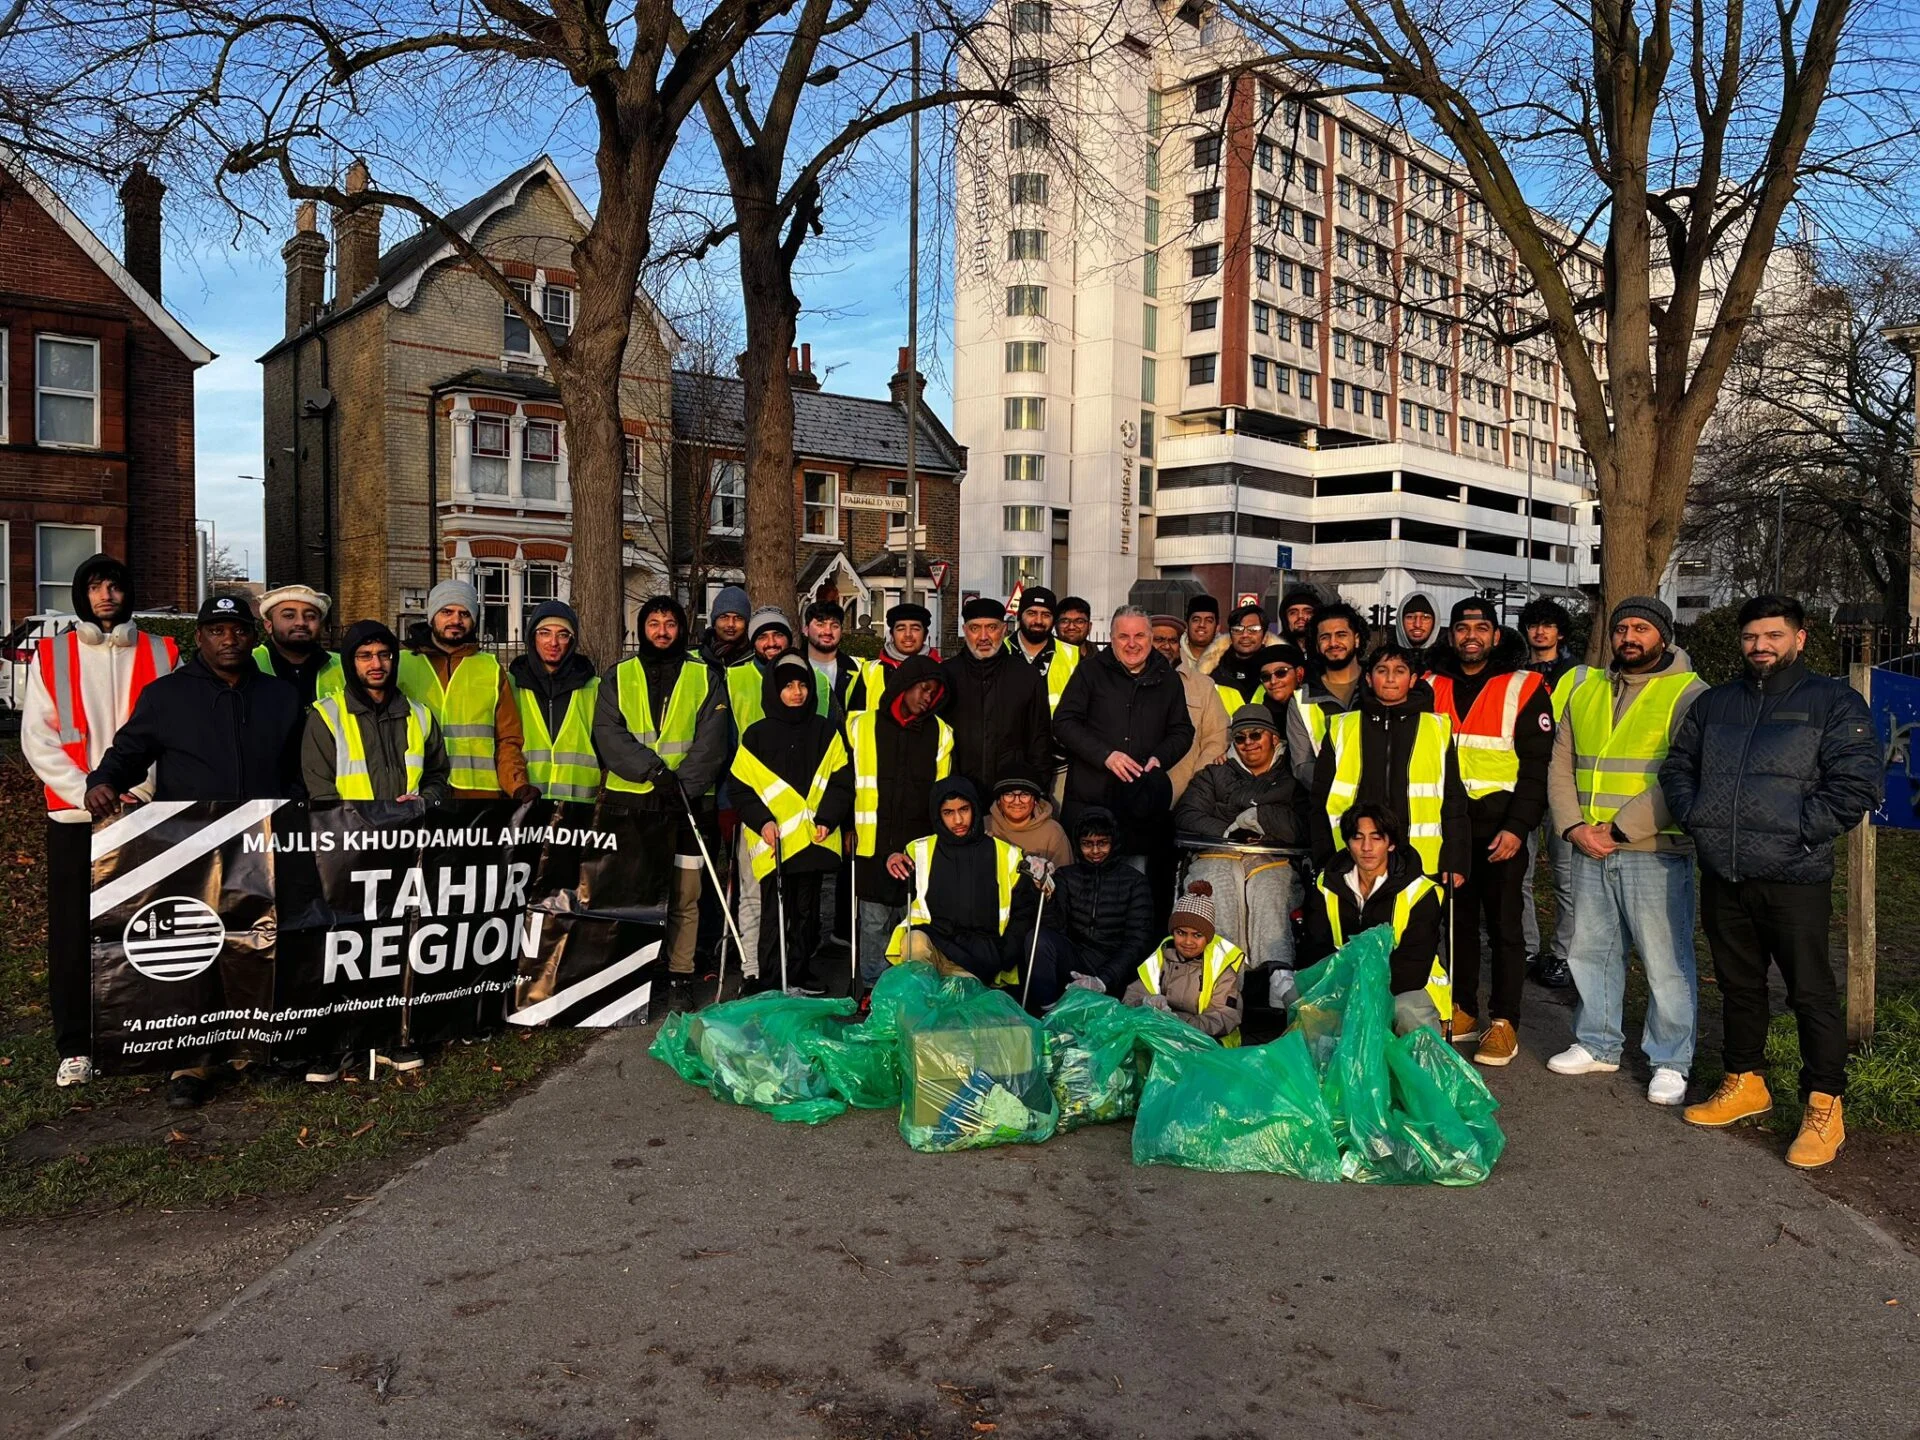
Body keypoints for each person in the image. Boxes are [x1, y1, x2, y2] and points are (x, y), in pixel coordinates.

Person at [1663, 595, 1880, 1167]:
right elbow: (1678, 767)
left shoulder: (1833, 702)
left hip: (1794, 876)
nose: (1761, 646)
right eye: (1752, 637)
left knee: (1809, 992)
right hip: (1725, 871)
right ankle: (1745, 1080)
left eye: (1773, 636)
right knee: (1738, 986)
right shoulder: (1716, 703)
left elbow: (1856, 784)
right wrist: (1701, 822)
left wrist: (1798, 833)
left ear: (1800, 638)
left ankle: (1825, 1102)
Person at [85, 594, 305, 1109]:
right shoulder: (165, 696)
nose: (228, 639)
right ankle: (193, 1061)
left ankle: (257, 1050)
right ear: (199, 638)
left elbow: (301, 769)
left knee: (259, 942)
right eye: (216, 630)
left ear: (254, 636)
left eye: (238, 630)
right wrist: (102, 781)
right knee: (198, 948)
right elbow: (127, 753)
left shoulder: (280, 696)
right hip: (190, 849)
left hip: (263, 843)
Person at [23, 553, 177, 1087]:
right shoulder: (51, 655)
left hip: (140, 811)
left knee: (147, 925)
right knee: (72, 932)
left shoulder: (163, 651)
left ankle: (142, 1029)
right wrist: (87, 793)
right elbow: (38, 739)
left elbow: (169, 732)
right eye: (94, 586)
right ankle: (76, 1045)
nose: (105, 594)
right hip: (73, 816)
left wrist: (136, 792)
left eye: (114, 585)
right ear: (80, 595)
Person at [1546, 595, 1706, 1106]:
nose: (1629, 637)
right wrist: (1573, 827)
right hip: (1588, 844)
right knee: (1590, 950)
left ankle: (1670, 1060)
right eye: (1621, 629)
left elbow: (1685, 778)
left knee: (1665, 960)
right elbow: (1561, 764)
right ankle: (1597, 1042)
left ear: (1663, 634)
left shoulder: (1690, 694)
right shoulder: (1586, 688)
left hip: (1653, 849)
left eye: (1641, 628)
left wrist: (1614, 831)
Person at [1422, 599, 1553, 1064]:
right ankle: (1463, 1009)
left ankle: (1504, 1020)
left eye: (1481, 627)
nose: (1471, 635)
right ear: (1451, 635)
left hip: (1502, 829)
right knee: (1456, 925)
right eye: (1462, 628)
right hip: (1447, 828)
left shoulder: (1525, 686)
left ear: (1496, 636)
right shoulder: (1429, 684)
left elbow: (1537, 768)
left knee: (1504, 926)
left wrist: (1519, 828)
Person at [596, 596, 731, 1008]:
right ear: (641, 629)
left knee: (686, 893)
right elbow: (607, 733)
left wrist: (682, 787)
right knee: (634, 892)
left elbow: (714, 738)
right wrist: (655, 774)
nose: (661, 631)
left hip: (689, 806)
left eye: (669, 624)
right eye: (653, 623)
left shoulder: (706, 675)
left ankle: (680, 972)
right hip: (633, 803)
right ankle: (637, 972)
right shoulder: (618, 676)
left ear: (682, 629)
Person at [731, 654, 853, 995]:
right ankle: (769, 977)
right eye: (787, 686)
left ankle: (800, 971)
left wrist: (829, 818)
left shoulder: (826, 731)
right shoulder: (757, 735)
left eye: (802, 685)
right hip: (775, 841)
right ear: (774, 691)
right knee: (773, 912)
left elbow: (841, 781)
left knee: (807, 912)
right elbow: (740, 787)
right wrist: (763, 822)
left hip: (814, 839)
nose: (796, 692)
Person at [1172, 704, 1311, 1000]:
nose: (1248, 743)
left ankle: (1280, 974)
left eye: (1255, 735)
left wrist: (1262, 820)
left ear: (1274, 737)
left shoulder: (1291, 777)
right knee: (1219, 883)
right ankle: (1225, 977)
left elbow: (1304, 822)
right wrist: (1230, 829)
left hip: (1271, 856)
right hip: (1218, 853)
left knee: (1268, 886)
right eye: (1240, 738)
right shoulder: (1215, 773)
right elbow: (1186, 813)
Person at [1311, 641, 1469, 886]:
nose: (1390, 678)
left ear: (1413, 679)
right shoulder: (1342, 726)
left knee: (1416, 925)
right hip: (1351, 859)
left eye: (1400, 671)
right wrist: (1324, 858)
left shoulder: (1437, 728)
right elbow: (1320, 799)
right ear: (1369, 678)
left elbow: (1454, 800)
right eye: (1382, 670)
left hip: (1422, 862)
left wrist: (1455, 860)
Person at [1053, 606, 1194, 864]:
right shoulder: (1089, 672)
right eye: (1123, 636)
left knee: (1133, 887)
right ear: (1111, 638)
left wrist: (1159, 758)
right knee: (1084, 888)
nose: (1132, 644)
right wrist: (1105, 756)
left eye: (1139, 636)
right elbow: (1063, 722)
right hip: (1090, 799)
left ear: (1150, 638)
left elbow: (1182, 730)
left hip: (1141, 804)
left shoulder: (1168, 679)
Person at [845, 655, 951, 996]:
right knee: (874, 920)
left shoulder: (941, 734)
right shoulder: (860, 726)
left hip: (916, 842)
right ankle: (872, 989)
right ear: (904, 686)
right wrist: (846, 826)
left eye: (933, 693)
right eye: (923, 689)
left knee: (909, 920)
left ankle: (903, 988)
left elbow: (942, 793)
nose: (927, 698)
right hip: (870, 841)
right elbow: (844, 781)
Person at [1301, 805, 1450, 1037]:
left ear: (1390, 844)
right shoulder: (1325, 885)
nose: (1366, 847)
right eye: (1358, 838)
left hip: (1407, 985)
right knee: (1297, 999)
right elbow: (1316, 947)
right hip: (1345, 982)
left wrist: (1366, 992)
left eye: (1376, 838)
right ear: (1348, 844)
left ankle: (1423, 1072)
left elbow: (1414, 963)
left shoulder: (1420, 891)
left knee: (1407, 1012)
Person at [885, 776, 1036, 985]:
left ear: (974, 808)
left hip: (981, 957)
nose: (957, 820)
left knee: (959, 1010)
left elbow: (1023, 913)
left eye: (964, 809)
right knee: (914, 943)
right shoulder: (918, 850)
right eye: (948, 812)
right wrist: (892, 861)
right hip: (934, 944)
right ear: (937, 815)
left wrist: (1004, 955)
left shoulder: (1006, 854)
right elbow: (893, 895)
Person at [397, 579, 531, 800]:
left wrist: (517, 785)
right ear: (432, 616)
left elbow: (508, 739)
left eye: (464, 614)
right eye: (447, 612)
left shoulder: (491, 668)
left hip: (478, 797)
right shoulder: (402, 666)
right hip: (417, 794)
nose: (456, 620)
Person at [303, 620, 450, 808]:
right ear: (350, 662)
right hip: (351, 833)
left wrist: (425, 801)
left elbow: (437, 774)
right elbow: (320, 788)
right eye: (365, 656)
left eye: (384, 654)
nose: (377, 664)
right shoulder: (326, 716)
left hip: (408, 831)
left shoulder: (420, 714)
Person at [1025, 807, 1155, 1009]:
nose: (1095, 851)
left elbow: (1137, 942)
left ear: (1113, 843)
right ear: (1079, 845)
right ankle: (1046, 1012)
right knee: (1037, 938)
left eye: (1102, 843)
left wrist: (1104, 979)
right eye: (1087, 844)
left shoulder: (1134, 882)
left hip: (1114, 969)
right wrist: (1044, 892)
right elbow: (1053, 926)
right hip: (1075, 960)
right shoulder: (1067, 876)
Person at [1518, 597, 1584, 988]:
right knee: (1520, 876)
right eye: (1533, 625)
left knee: (1565, 876)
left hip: (1564, 785)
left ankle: (1562, 954)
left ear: (1560, 631)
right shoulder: (1515, 674)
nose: (1540, 632)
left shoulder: (1580, 676)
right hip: (1525, 783)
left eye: (1547, 625)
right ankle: (1527, 946)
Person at [942, 596, 1051, 795]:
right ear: (965, 630)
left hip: (1012, 794)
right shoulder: (946, 675)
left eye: (991, 627)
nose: (983, 637)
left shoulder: (1026, 676)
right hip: (959, 795)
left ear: (1004, 630)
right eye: (975, 628)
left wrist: (1038, 790)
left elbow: (1039, 740)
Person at [1124, 881, 1246, 1043]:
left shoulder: (1221, 969)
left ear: (1208, 938)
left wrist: (1178, 1024)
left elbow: (1224, 1017)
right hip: (1160, 1034)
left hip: (1205, 1041)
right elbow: (1131, 998)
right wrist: (1144, 1002)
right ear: (1173, 932)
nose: (1188, 942)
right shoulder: (1160, 960)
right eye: (1181, 932)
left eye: (1197, 935)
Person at [508, 600, 600, 805]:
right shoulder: (510, 685)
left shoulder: (593, 687)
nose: (553, 642)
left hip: (577, 811)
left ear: (572, 640)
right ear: (533, 637)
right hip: (523, 806)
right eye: (545, 633)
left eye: (563, 634)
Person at [1150, 613, 1230, 804]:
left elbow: (1216, 738)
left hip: (1184, 795)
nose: (1166, 646)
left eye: (1173, 640)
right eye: (1159, 639)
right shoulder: (1128, 682)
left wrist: (1197, 784)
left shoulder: (1203, 685)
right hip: (1134, 793)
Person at [252, 583, 344, 706]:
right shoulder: (249, 663)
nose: (301, 622)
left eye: (310, 616)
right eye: (289, 616)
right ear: (268, 625)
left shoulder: (343, 665)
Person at [1257, 642, 1322, 786]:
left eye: (1281, 673)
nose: (1273, 681)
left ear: (1299, 673)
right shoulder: (1261, 713)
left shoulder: (1317, 705)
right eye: (1266, 677)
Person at [1009, 586, 1081, 715]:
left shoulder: (1073, 656)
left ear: (1054, 620)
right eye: (1032, 613)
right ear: (1020, 615)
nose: (1038, 621)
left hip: (1055, 734)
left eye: (1046, 615)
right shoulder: (1000, 651)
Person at [802, 599, 879, 717]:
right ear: (806, 630)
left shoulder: (861, 669)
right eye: (820, 624)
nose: (827, 631)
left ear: (841, 631)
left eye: (834, 626)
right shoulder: (792, 666)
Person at [985, 768, 1074, 871]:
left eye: (1024, 795)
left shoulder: (1053, 832)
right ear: (999, 800)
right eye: (1009, 794)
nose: (1017, 801)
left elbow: (1067, 880)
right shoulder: (984, 825)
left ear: (1035, 800)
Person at [1304, 604, 1370, 717]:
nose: (1333, 643)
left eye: (1341, 635)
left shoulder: (1379, 684)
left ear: (1357, 639)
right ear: (1316, 645)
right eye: (1325, 637)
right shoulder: (1303, 698)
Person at [1213, 602, 1274, 706]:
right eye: (1238, 630)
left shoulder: (1276, 675)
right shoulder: (1215, 677)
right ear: (1230, 635)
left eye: (1253, 629)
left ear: (1265, 636)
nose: (1245, 635)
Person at [699, 585, 753, 668]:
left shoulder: (757, 659)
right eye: (724, 617)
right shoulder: (696, 658)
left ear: (746, 623)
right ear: (714, 622)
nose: (731, 624)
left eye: (738, 618)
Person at [880, 601, 940, 672]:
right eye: (901, 629)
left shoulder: (942, 668)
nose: (908, 634)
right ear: (892, 634)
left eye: (915, 629)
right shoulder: (870, 671)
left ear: (925, 634)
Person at [1180, 593, 1228, 676]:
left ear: (1217, 628)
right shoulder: (1175, 655)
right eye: (1196, 620)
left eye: (1209, 620)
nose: (1202, 625)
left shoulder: (1228, 657)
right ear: (1187, 626)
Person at [1396, 592, 1439, 673]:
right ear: (1400, 621)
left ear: (1435, 622)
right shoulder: (1385, 660)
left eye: (1425, 617)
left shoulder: (1448, 665)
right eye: (1410, 617)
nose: (1417, 624)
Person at [1278, 586, 1322, 653]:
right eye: (1293, 613)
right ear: (1285, 618)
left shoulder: (1327, 647)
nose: (1300, 616)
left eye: (1308, 612)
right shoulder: (1274, 649)